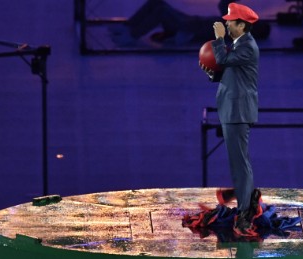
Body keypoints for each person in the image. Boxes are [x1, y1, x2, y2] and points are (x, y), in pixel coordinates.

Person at [200, 2, 262, 237]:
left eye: (230, 21)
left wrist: (218, 39)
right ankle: (244, 198)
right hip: (231, 109)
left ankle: (245, 210)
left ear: (242, 25)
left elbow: (225, 60)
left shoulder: (247, 46)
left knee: (240, 164)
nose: (225, 24)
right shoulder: (239, 45)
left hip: (238, 112)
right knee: (238, 163)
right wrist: (211, 73)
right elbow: (228, 72)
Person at [108, 0, 270, 47]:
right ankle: (128, 26)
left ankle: (131, 35)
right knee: (157, 3)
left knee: (161, 11)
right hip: (192, 22)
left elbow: (224, 7)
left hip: (190, 27)